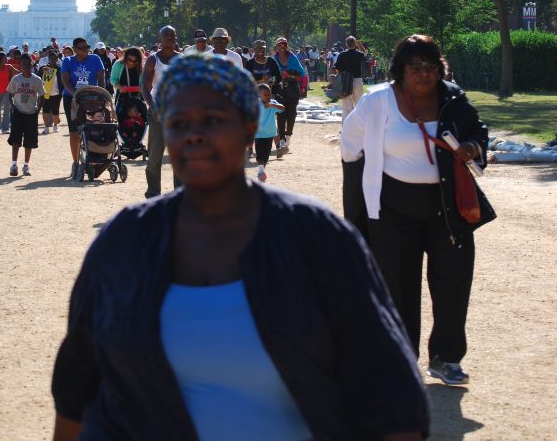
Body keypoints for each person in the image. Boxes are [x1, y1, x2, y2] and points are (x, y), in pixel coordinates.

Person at [52, 54, 429, 440]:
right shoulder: (124, 242)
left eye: (213, 120)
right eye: (180, 123)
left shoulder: (316, 238)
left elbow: (389, 387)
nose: (194, 134)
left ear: (250, 127)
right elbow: (76, 388)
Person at [341, 34, 496, 387]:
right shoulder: (378, 101)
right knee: (398, 286)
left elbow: (478, 131)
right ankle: (401, 358)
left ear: (439, 69)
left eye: (430, 66)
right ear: (400, 70)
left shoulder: (453, 98)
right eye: (415, 67)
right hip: (393, 208)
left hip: (447, 207)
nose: (423, 74)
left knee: (453, 283)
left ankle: (446, 358)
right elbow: (351, 142)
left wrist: (473, 146)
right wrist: (359, 195)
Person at [141, 26, 180, 198]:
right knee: (155, 158)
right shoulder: (153, 60)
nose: (170, 38)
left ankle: (179, 196)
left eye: (172, 35)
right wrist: (153, 107)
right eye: (166, 35)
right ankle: (153, 195)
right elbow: (145, 88)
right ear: (160, 39)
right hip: (158, 113)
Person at [61, 38, 105, 179]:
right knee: (74, 131)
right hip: (72, 98)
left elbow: (101, 77)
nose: (86, 50)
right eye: (82, 47)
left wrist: (101, 93)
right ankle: (75, 162)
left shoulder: (95, 59)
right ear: (75, 49)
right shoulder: (67, 61)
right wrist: (75, 95)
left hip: (92, 98)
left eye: (87, 47)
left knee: (93, 128)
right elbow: (66, 81)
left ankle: (93, 159)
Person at [6, 53, 44, 177]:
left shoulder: (37, 80)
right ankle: (13, 164)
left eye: (29, 64)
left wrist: (37, 110)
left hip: (31, 114)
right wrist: (13, 107)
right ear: (20, 65)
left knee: (29, 141)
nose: (26, 66)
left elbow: (42, 96)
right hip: (18, 113)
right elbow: (9, 94)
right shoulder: (16, 79)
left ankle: (26, 165)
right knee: (16, 140)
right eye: (24, 64)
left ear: (32, 65)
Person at [272, 37, 305, 155]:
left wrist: (289, 75)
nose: (281, 47)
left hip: (292, 90)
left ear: (286, 46)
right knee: (280, 114)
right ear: (276, 47)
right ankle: (281, 140)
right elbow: (271, 75)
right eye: (279, 45)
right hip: (280, 90)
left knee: (291, 114)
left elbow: (301, 75)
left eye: (283, 45)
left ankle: (288, 135)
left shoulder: (293, 58)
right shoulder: (273, 59)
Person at [254, 83, 284, 182]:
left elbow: (283, 108)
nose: (268, 96)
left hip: (270, 134)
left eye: (269, 94)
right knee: (260, 155)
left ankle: (261, 171)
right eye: (265, 95)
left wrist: (272, 105)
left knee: (266, 156)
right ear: (259, 95)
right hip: (259, 134)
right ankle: (261, 172)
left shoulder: (273, 103)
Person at [334, 35, 367, 122]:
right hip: (357, 80)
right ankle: (358, 127)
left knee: (346, 107)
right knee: (358, 104)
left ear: (346, 44)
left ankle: (345, 128)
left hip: (345, 80)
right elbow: (365, 52)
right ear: (354, 44)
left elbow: (337, 67)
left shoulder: (342, 54)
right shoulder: (359, 54)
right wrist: (358, 43)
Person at [39, 50, 63, 133]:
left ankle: (55, 126)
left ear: (57, 59)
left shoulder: (60, 69)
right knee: (45, 110)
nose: (52, 59)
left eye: (54, 58)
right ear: (48, 59)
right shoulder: (44, 68)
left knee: (55, 110)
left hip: (57, 93)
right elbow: (39, 79)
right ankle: (46, 127)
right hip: (46, 93)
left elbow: (63, 80)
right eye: (51, 58)